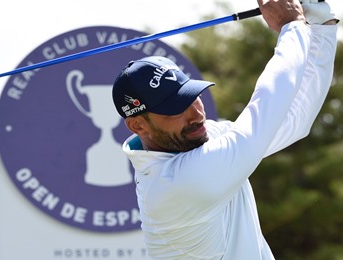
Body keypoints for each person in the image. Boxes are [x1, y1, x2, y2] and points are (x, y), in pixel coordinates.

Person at [111, 0, 339, 259]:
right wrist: (293, 26)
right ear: (138, 125)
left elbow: (291, 119)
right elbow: (269, 104)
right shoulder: (177, 184)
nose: (196, 115)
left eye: (191, 97)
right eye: (175, 108)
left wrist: (320, 25)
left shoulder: (199, 140)